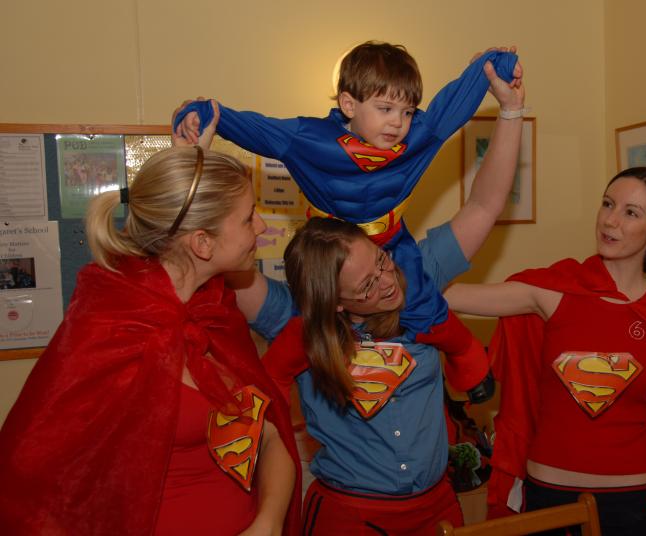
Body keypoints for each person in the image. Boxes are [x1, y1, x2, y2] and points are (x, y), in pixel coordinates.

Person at [218, 67, 525, 534]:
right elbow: (223, 263)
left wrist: (511, 110)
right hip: (348, 516)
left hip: (436, 510)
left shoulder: (418, 274)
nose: (386, 284)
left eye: (382, 262)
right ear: (333, 302)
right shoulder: (295, 317)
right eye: (364, 287)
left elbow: (485, 205)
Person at [172, 42, 523, 403]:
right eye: (385, 108)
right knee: (308, 326)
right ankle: (270, 393)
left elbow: (453, 106)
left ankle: (467, 356)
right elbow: (259, 130)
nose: (397, 122)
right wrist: (208, 117)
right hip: (327, 258)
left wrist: (488, 70)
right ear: (349, 104)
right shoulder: (310, 140)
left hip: (394, 241)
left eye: (406, 111)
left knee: (423, 302)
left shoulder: (419, 136)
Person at [0, 147, 302, 536]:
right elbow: (36, 476)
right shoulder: (114, 331)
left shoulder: (214, 311)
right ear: (202, 243)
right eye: (248, 218)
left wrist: (268, 521)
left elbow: (268, 434)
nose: (260, 226)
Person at [445, 167, 646, 536]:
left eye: (631, 212)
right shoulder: (554, 291)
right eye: (608, 204)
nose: (610, 220)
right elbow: (447, 297)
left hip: (633, 503)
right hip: (549, 500)